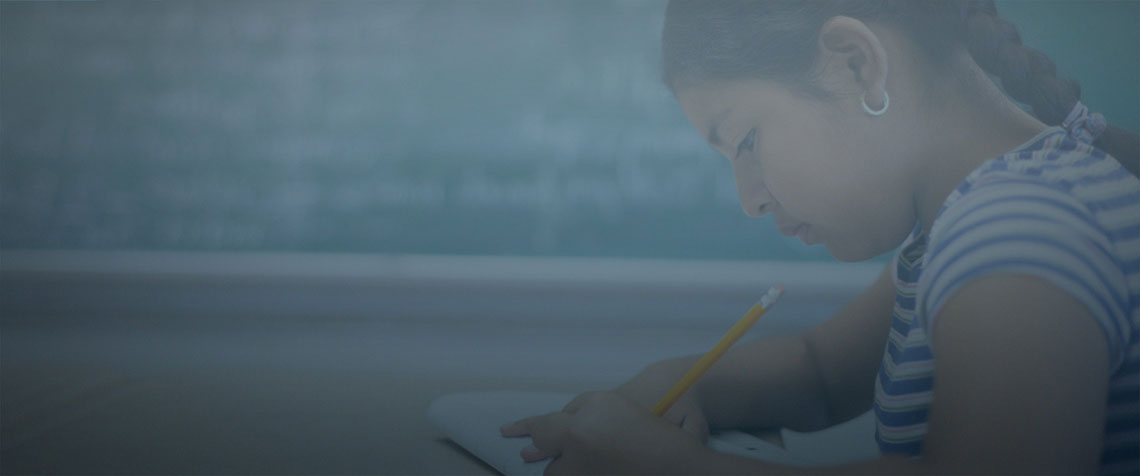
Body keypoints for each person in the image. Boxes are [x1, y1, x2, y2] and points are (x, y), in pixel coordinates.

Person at [499, 1, 1140, 474]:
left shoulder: (1014, 240)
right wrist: (681, 381)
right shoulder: (978, 215)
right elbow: (821, 373)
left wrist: (666, 464)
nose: (749, 199)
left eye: (745, 141)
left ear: (857, 65)